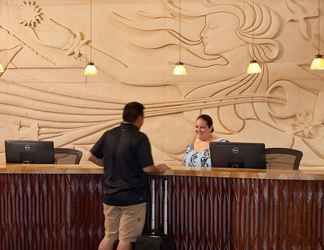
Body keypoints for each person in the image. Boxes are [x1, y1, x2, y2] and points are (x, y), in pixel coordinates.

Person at [89, 101, 169, 250]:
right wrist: (159, 168)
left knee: (109, 236)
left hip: (110, 196)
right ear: (139, 118)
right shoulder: (140, 138)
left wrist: (110, 166)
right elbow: (147, 169)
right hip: (133, 197)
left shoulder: (109, 134)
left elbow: (92, 157)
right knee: (126, 239)